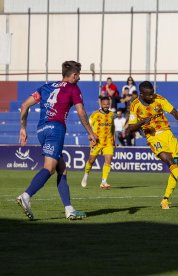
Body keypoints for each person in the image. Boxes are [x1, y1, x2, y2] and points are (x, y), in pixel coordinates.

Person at [16, 60, 97, 220]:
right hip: (56, 129)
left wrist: (23, 128)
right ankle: (26, 196)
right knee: (50, 168)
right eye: (78, 74)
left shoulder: (47, 86)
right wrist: (91, 132)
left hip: (41, 130)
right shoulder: (73, 88)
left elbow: (25, 105)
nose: (79, 78)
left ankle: (69, 209)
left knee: (62, 169)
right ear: (74, 75)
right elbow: (81, 112)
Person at [127, 81, 178, 209]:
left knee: (175, 166)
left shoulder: (159, 99)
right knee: (169, 161)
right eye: (149, 95)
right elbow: (131, 128)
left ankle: (165, 200)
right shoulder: (135, 105)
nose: (152, 96)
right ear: (141, 94)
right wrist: (142, 122)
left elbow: (173, 111)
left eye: (152, 93)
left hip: (168, 134)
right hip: (153, 137)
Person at [81, 96, 115, 189]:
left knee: (108, 160)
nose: (106, 106)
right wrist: (90, 134)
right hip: (97, 142)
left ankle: (104, 181)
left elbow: (113, 127)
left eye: (107, 104)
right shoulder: (95, 115)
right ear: (101, 104)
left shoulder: (112, 114)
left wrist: (114, 140)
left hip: (108, 141)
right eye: (104, 104)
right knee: (91, 161)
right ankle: (86, 174)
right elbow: (88, 125)